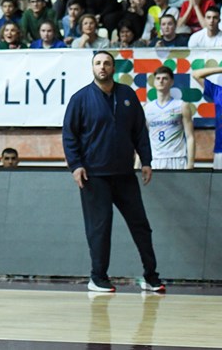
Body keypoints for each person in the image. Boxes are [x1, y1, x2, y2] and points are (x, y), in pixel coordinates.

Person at [62, 51, 163, 294]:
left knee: (141, 225)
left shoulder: (127, 94)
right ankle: (98, 277)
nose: (102, 67)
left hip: (125, 174)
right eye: (98, 63)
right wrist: (76, 165)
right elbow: (69, 136)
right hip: (94, 176)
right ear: (92, 68)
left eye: (107, 63)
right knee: (100, 227)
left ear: (113, 67)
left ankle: (151, 276)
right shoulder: (80, 98)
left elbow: (140, 130)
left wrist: (146, 160)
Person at [144, 66, 195, 170]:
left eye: (165, 78)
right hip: (155, 160)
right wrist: (137, 164)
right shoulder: (147, 108)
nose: (161, 81)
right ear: (154, 82)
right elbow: (143, 139)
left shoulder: (182, 105)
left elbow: (190, 137)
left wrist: (190, 164)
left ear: (171, 82)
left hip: (177, 159)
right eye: (158, 78)